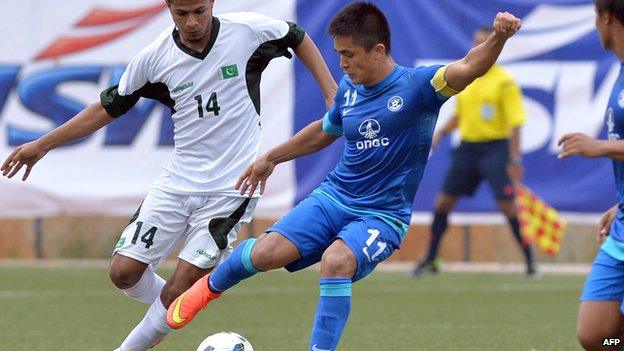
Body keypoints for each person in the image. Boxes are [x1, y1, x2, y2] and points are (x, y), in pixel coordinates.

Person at [165, 3, 522, 350]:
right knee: (266, 253)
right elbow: (324, 131)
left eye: (349, 54)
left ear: (378, 50)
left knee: (337, 261)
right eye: (338, 53)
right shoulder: (349, 90)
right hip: (334, 197)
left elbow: (470, 66)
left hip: (382, 215)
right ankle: (207, 289)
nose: (342, 63)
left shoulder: (419, 87)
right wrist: (271, 158)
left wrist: (499, 38)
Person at [0, 0, 337, 350]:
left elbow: (295, 35)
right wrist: (42, 145)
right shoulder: (156, 57)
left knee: (179, 287)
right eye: (181, 14)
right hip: (177, 182)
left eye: (199, 11)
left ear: (212, 3)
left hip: (231, 188)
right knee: (123, 273)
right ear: (168, 8)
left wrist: (331, 93)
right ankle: (180, 306)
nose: (191, 22)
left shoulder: (247, 32)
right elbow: (106, 107)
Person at [410, 26, 537, 278]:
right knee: (443, 203)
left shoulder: (504, 82)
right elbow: (460, 115)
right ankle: (430, 259)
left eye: (485, 41)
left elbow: (515, 123)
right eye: (476, 42)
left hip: (495, 149)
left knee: (507, 207)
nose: (480, 46)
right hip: (467, 149)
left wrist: (514, 158)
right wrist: (440, 133)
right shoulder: (468, 77)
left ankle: (530, 262)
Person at [559, 1, 624, 350]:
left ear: (607, 16)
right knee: (600, 336)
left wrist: (601, 146)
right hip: (621, 226)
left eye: (595, 18)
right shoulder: (620, 68)